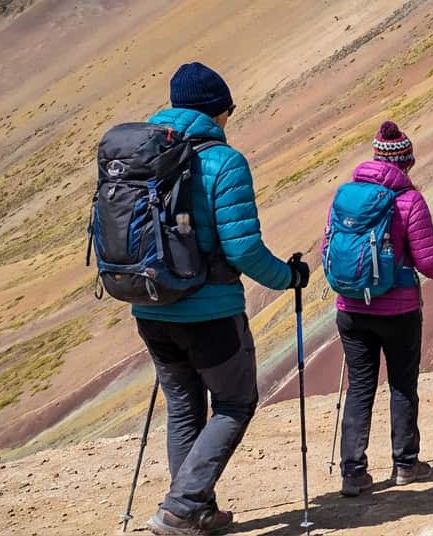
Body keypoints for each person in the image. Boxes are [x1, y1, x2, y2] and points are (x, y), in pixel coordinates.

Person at [131, 63, 309, 535]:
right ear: (218, 109)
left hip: (149, 305)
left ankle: (195, 510)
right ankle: (182, 506)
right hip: (209, 310)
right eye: (228, 111)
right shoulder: (222, 161)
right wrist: (288, 277)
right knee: (235, 402)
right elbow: (243, 247)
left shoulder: (140, 154)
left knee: (184, 407)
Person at [326, 122, 433, 496]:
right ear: (406, 161)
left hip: (351, 308)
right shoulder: (409, 200)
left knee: (360, 387)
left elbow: (328, 248)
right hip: (398, 311)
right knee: (402, 384)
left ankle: (353, 472)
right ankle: (405, 464)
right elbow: (428, 261)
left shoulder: (345, 196)